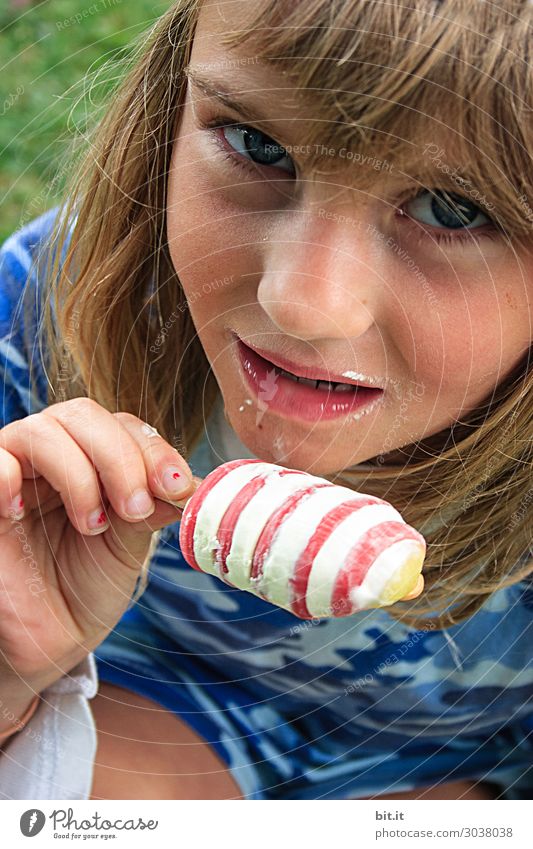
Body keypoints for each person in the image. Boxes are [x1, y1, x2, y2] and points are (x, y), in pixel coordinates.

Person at [0, 0, 531, 801]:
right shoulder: (52, 309)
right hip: (135, 693)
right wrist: (11, 673)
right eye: (259, 145)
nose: (301, 303)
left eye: (452, 210)